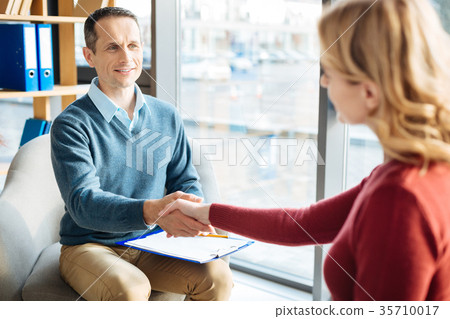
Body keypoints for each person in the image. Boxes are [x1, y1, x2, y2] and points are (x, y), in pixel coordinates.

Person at [163, 0, 450, 301]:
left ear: (369, 90)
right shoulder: (415, 170)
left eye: (331, 69)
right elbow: (302, 224)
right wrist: (206, 212)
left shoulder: (399, 198)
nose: (324, 81)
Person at [50, 7, 232, 301]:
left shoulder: (166, 114)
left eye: (133, 45)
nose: (126, 57)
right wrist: (155, 212)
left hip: (152, 243)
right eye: (112, 47)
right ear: (89, 56)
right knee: (131, 289)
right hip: (89, 246)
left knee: (218, 276)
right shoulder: (71, 124)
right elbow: (82, 203)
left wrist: (191, 215)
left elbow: (185, 179)